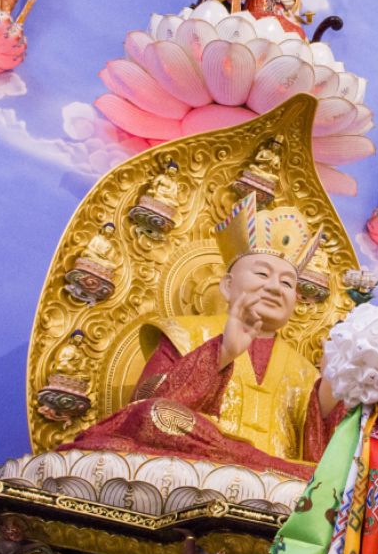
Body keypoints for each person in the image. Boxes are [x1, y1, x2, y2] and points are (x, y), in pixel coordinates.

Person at [61, 193, 343, 480]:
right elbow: (144, 408)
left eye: (287, 283)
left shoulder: (306, 372)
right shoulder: (185, 333)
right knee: (155, 414)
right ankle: (264, 466)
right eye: (262, 274)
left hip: (274, 486)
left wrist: (329, 395)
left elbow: (321, 455)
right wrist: (221, 354)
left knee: (344, 471)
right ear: (227, 286)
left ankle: (262, 466)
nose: (274, 288)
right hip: (199, 468)